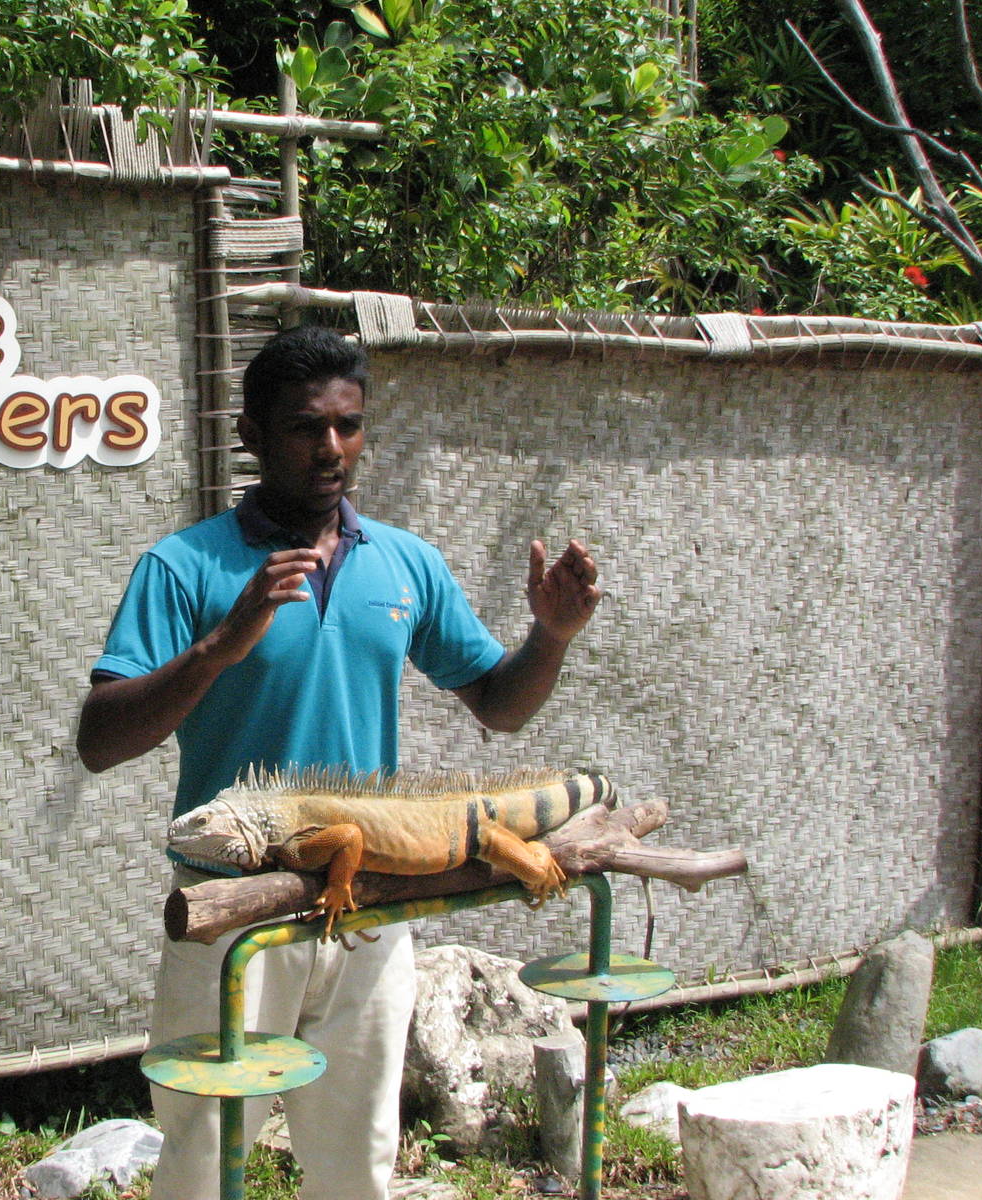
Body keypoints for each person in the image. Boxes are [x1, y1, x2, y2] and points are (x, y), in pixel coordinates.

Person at [76, 324, 600, 1200]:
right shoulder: (183, 567)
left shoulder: (405, 564)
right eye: (305, 428)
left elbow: (501, 707)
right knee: (204, 1156)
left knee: (359, 1160)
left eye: (349, 426)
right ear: (249, 435)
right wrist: (217, 648)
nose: (332, 450)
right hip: (233, 911)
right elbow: (100, 740)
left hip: (371, 910)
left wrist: (549, 637)